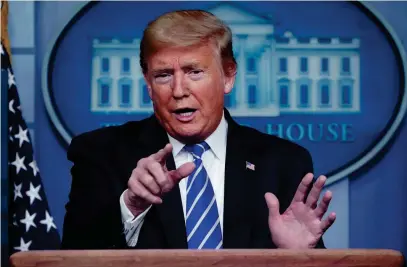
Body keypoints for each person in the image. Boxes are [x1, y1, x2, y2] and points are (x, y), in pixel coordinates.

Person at [61, 9, 336, 250]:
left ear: (228, 76)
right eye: (164, 75)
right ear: (148, 83)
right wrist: (131, 205)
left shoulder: (284, 163)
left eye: (195, 72)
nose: (179, 91)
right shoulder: (100, 154)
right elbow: (71, 259)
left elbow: (306, 256)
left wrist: (297, 258)